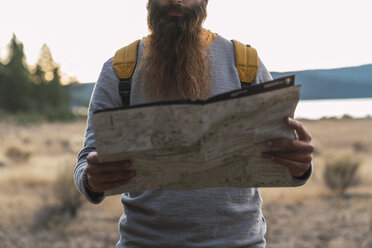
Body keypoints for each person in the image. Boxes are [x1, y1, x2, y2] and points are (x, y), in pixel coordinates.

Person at [74, 0, 314, 247]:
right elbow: (85, 163)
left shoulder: (246, 64)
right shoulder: (120, 70)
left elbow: (287, 158)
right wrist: (92, 180)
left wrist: (300, 166)